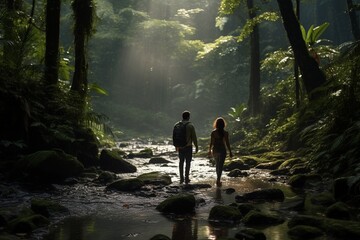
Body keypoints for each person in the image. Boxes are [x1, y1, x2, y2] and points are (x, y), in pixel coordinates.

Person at [208, 117, 233, 187]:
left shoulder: (213, 132)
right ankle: (218, 179)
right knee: (220, 166)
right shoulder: (225, 133)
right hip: (222, 150)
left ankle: (218, 179)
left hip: (215, 150)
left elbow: (211, 143)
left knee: (217, 165)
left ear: (216, 124)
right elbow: (227, 143)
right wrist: (230, 152)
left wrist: (209, 150)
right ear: (223, 124)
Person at [175, 110, 198, 184]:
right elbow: (194, 137)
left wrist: (176, 146)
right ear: (188, 117)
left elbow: (175, 137)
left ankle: (181, 178)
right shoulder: (190, 125)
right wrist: (196, 146)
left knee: (181, 162)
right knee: (188, 162)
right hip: (188, 147)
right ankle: (186, 178)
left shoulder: (177, 125)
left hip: (180, 147)